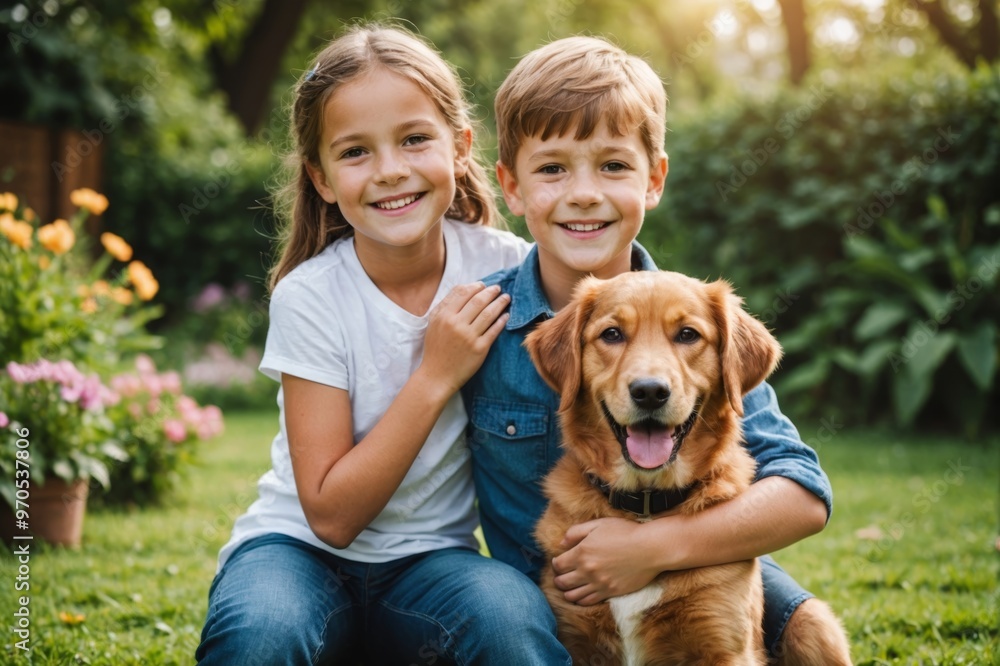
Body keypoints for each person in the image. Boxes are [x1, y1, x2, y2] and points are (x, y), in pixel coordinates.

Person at [461, 36, 852, 662]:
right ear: (511, 186)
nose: (584, 192)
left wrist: (655, 547)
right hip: (559, 581)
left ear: (654, 179)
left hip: (703, 543)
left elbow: (804, 490)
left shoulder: (703, 312)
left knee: (809, 629)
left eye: (613, 165)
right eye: (554, 167)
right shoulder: (479, 324)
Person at [196, 25, 569, 665]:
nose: (390, 171)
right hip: (295, 553)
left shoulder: (508, 269)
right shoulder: (310, 296)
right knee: (258, 636)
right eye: (355, 152)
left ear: (460, 147)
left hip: (433, 564)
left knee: (511, 622)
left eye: (414, 139)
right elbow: (332, 518)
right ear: (320, 177)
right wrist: (434, 375)